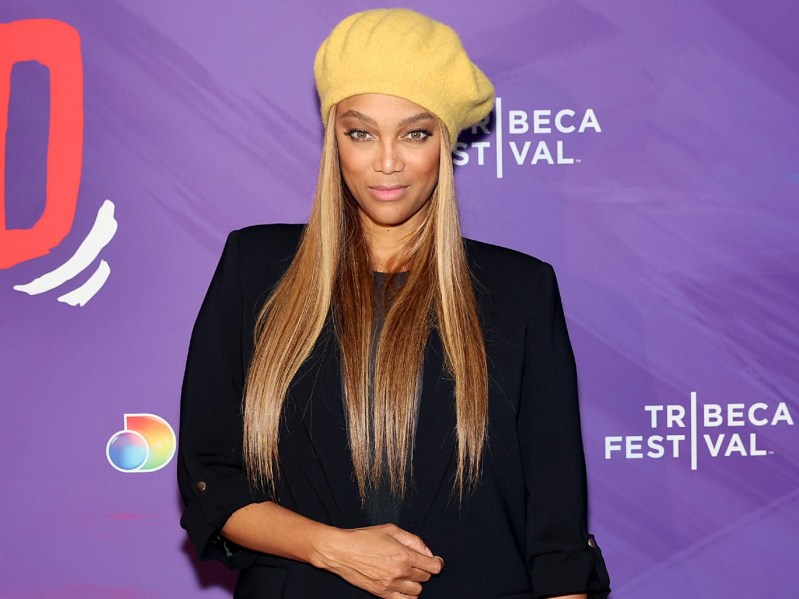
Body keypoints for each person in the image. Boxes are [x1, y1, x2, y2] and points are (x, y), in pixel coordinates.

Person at [178, 8, 610, 599]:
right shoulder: (256, 268)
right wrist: (335, 548)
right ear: (333, 137)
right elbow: (211, 478)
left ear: (445, 141)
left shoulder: (519, 290)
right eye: (361, 132)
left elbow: (555, 534)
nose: (387, 161)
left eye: (414, 132)